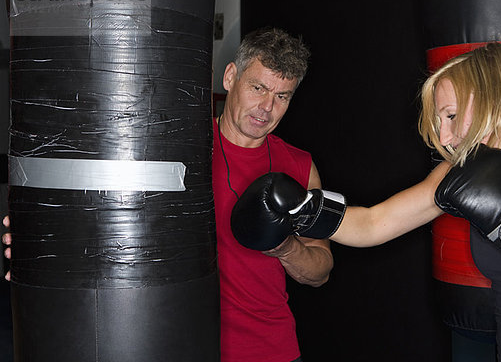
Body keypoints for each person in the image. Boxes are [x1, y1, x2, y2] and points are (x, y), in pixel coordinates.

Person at [231, 42, 501, 361]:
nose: (444, 135)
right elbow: (373, 223)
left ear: (495, 101)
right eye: (440, 120)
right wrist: (303, 208)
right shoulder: (460, 172)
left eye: (451, 116)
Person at [3, 27, 334, 362]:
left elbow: (321, 271)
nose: (266, 107)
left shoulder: (300, 166)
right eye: (258, 87)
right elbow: (108, 215)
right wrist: (41, 244)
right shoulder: (175, 146)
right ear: (231, 76)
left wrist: (284, 246)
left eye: (282, 96)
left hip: (270, 348)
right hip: (175, 340)